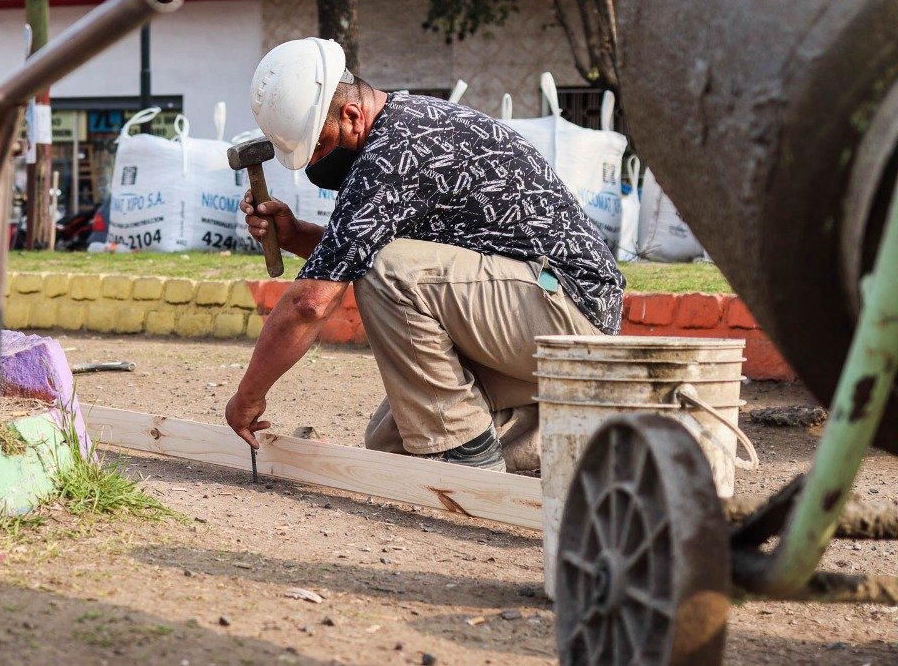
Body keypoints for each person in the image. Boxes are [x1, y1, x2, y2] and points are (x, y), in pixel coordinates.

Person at [224, 38, 624, 472]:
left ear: (352, 115)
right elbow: (360, 254)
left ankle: (470, 463)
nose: (316, 163)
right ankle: (576, 443)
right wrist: (297, 234)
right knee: (395, 439)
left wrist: (248, 396)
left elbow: (311, 303)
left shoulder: (393, 155)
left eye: (319, 146)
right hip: (532, 307)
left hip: (570, 306)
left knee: (386, 271)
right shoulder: (403, 127)